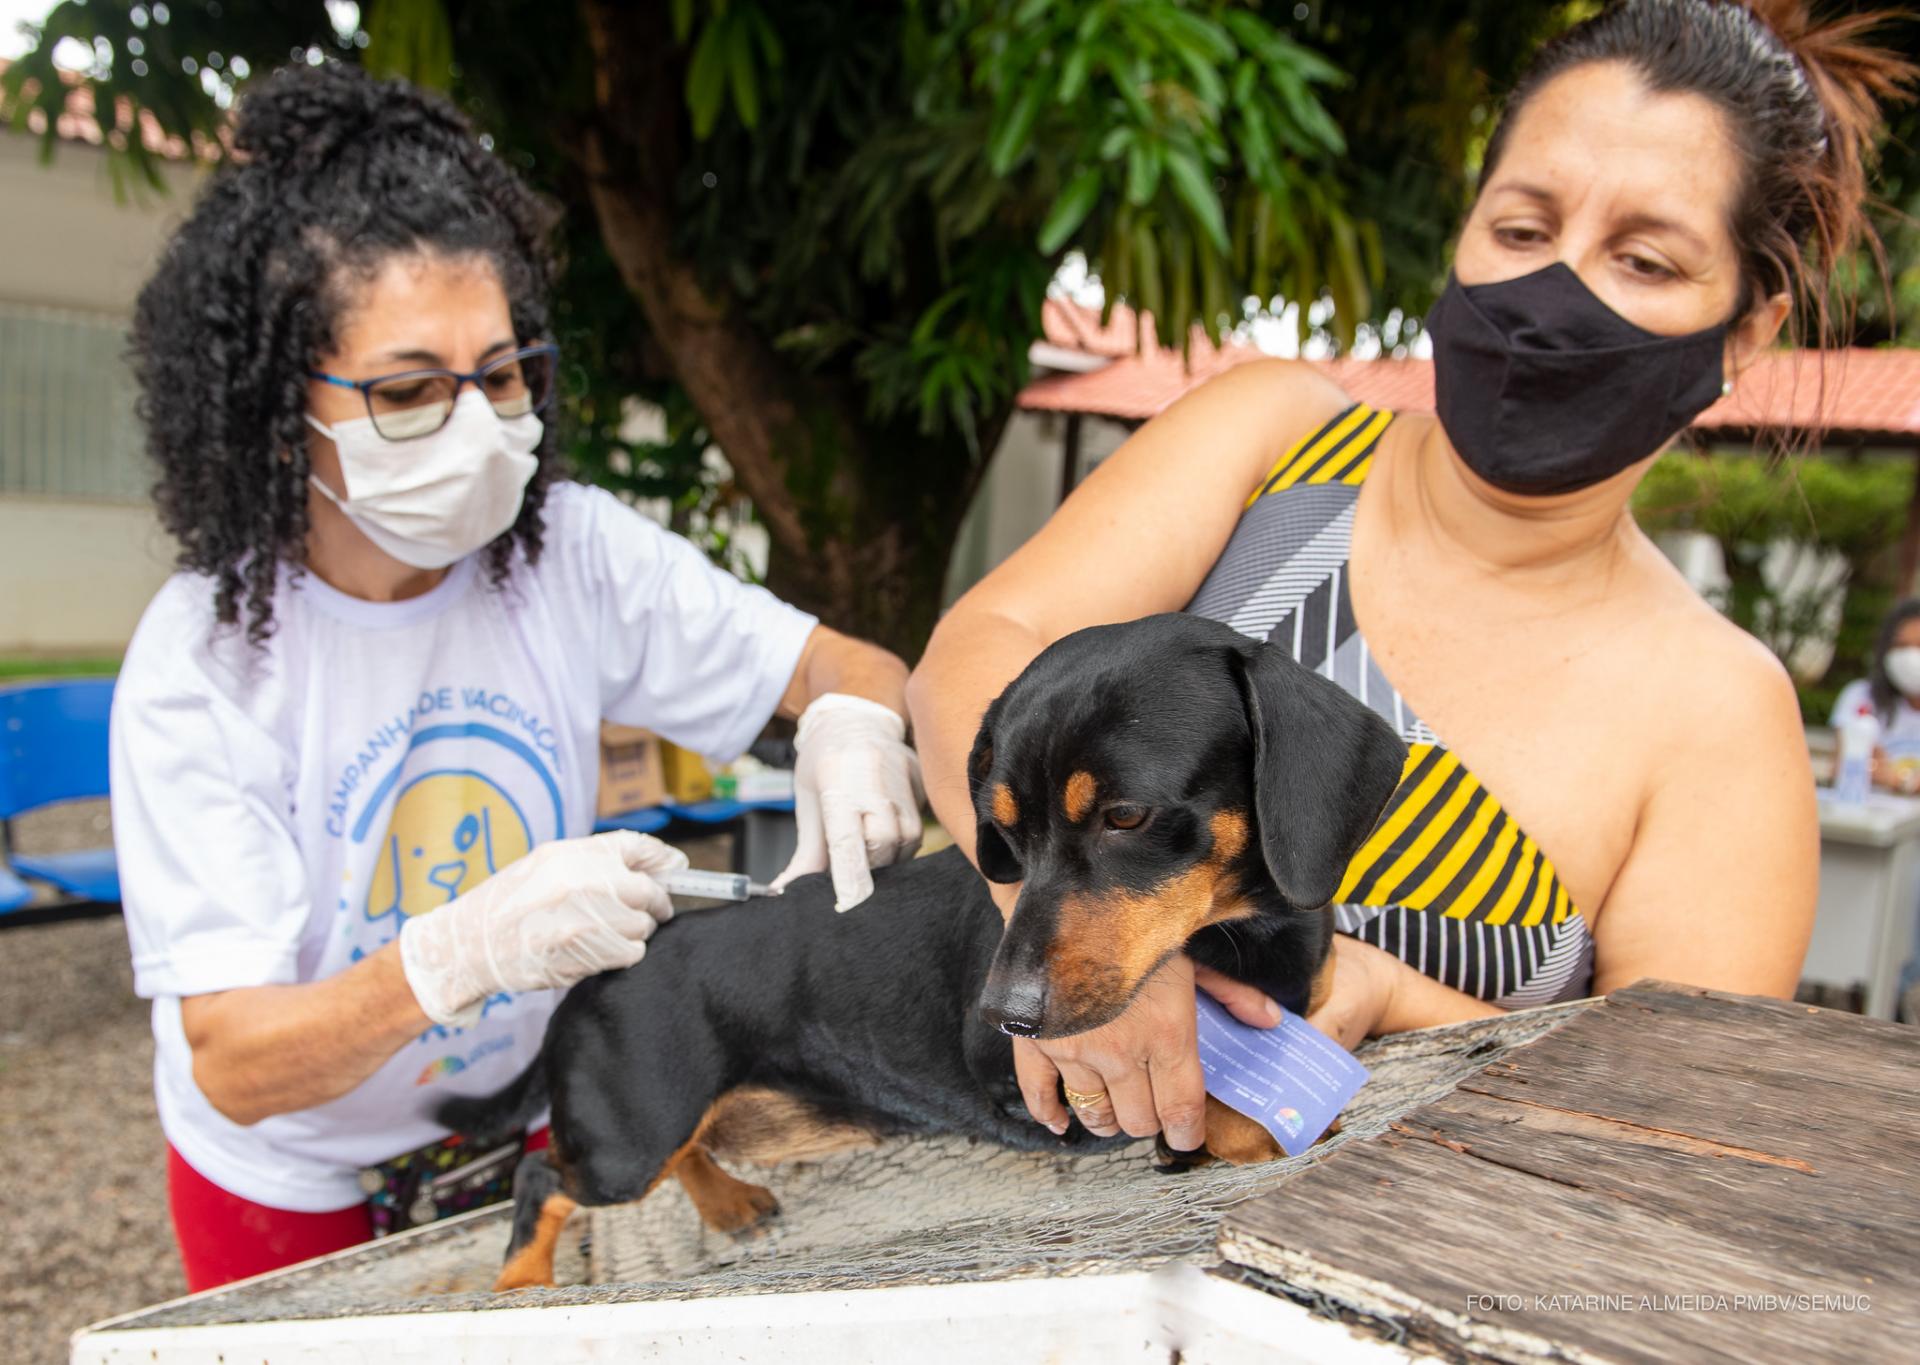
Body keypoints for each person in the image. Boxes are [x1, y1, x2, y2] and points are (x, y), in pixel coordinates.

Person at [909, 0, 1911, 1152]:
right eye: (1524, 229)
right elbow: (972, 664)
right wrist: (1079, 964)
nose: (1555, 297)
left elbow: (1677, 1129)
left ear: (1744, 331)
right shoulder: (1271, 443)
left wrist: (1400, 1006)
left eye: (1643, 258)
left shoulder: (1721, 715)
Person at [110, 64, 922, 1291]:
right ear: (283, 411)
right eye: (409, 388)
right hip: (294, 1179)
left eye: (500, 373)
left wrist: (854, 721)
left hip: (534, 1116)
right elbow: (234, 1057)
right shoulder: (206, 663)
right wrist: (462, 952)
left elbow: (845, 664)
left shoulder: (571, 556)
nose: (479, 425)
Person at [1829, 599, 1920, 794]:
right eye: (1901, 645)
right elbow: (1841, 769)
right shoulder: (1861, 697)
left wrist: (1900, 780)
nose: (1912, 656)